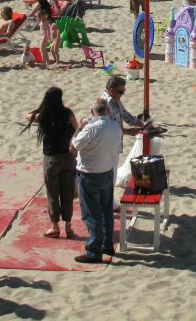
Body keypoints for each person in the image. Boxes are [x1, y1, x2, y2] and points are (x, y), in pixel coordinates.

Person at [70, 99, 123, 263]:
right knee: (106, 210)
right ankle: (107, 244)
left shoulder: (92, 128)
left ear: (94, 113)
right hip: (107, 171)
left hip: (90, 174)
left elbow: (72, 147)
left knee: (92, 213)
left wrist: (79, 128)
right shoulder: (115, 126)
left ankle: (94, 251)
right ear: (107, 111)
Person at [25, 87, 79, 239]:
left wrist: (41, 106)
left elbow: (26, 115)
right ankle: (68, 226)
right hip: (68, 156)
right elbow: (77, 130)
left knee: (53, 193)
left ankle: (55, 226)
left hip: (51, 158)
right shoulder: (68, 113)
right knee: (67, 191)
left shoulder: (43, 116)